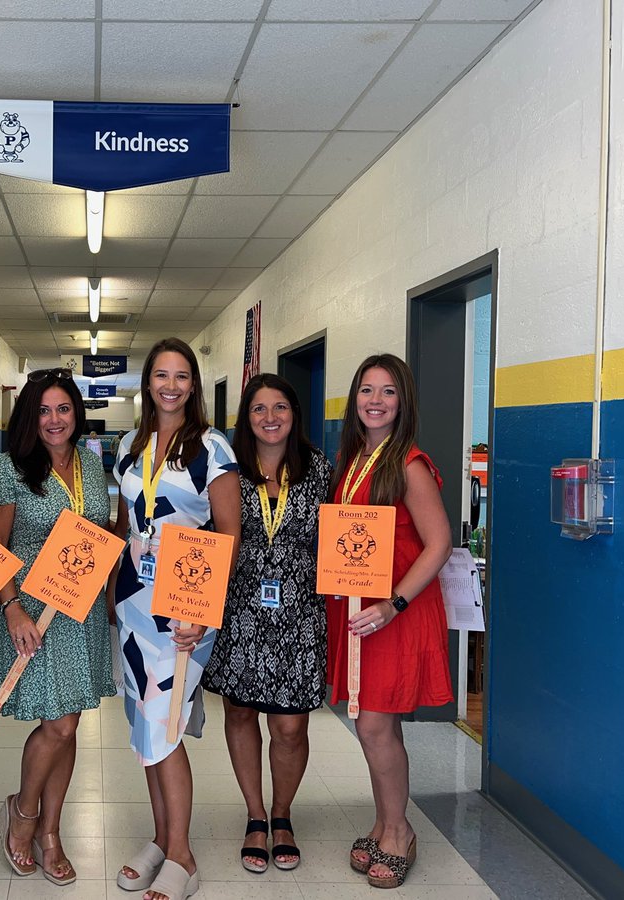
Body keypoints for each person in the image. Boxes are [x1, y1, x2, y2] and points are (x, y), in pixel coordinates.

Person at [110, 338, 242, 900]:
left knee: (166, 724)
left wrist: (202, 610)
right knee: (144, 723)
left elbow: (230, 534)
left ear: (193, 384)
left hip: (186, 606)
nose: (171, 385)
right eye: (161, 375)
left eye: (182, 376)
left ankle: (183, 856)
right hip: (132, 604)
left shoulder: (212, 448)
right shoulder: (127, 444)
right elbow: (122, 527)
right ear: (148, 383)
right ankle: (162, 838)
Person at [0, 368, 115, 885]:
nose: (54, 420)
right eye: (43, 411)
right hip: (31, 608)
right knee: (56, 724)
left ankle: (51, 832)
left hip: (79, 609)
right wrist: (12, 607)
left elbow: (101, 528)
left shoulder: (87, 460)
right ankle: (23, 813)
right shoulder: (9, 467)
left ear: (76, 414)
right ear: (28, 417)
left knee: (70, 723)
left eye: (63, 409)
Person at [326, 353, 452, 889]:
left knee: (375, 724)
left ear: (404, 402)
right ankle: (383, 822)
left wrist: (392, 604)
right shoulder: (357, 458)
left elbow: (440, 543)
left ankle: (399, 832)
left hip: (393, 612)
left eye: (388, 392)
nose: (375, 401)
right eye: (367, 391)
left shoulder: (409, 463)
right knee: (373, 723)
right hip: (357, 612)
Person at [201, 373, 332, 874]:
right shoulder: (227, 469)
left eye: (280, 407)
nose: (271, 417)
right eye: (259, 408)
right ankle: (256, 814)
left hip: (299, 613)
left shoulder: (318, 468)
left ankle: (283, 814)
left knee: (291, 724)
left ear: (294, 414)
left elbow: (340, 532)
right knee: (239, 713)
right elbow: (206, 533)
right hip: (240, 608)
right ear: (246, 416)